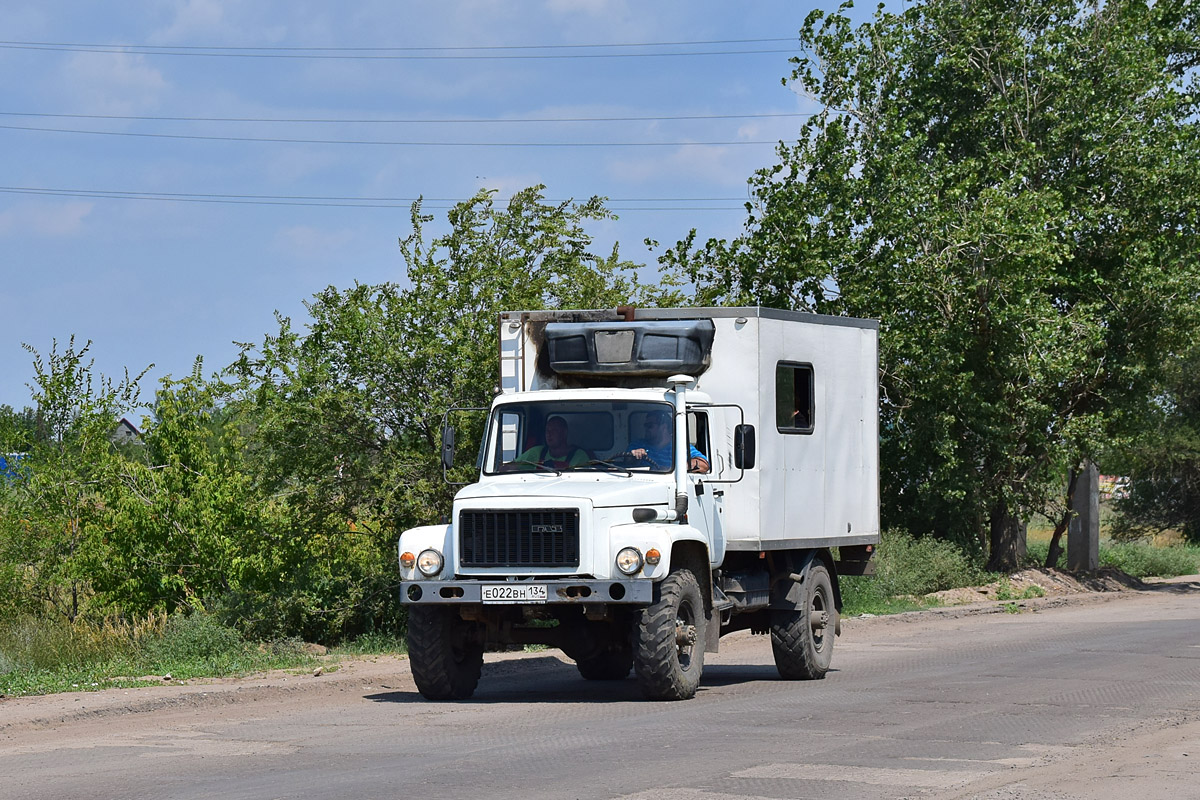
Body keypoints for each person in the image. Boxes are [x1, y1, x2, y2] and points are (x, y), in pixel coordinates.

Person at [629, 410, 709, 473]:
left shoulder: (679, 447)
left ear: (664, 427)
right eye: (645, 425)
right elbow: (626, 463)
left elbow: (704, 465)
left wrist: (676, 467)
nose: (646, 429)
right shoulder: (637, 445)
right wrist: (634, 457)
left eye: (650, 426)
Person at [512, 416, 589, 470]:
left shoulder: (579, 456)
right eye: (547, 430)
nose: (549, 434)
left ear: (564, 433)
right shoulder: (536, 452)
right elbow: (508, 468)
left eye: (554, 430)